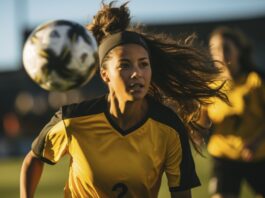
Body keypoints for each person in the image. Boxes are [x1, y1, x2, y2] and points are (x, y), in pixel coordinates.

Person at [20, 2, 228, 198]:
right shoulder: (72, 120)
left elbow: (181, 193)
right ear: (105, 74)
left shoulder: (169, 128)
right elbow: (35, 158)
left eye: (143, 64)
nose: (137, 73)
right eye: (125, 65)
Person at [206, 26, 265, 198]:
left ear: (238, 50)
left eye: (226, 48)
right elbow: (200, 125)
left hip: (257, 156)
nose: (221, 54)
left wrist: (255, 142)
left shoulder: (255, 81)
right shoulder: (209, 88)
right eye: (215, 49)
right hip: (223, 156)